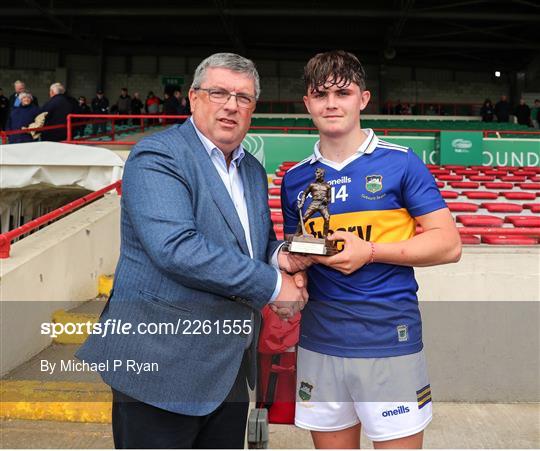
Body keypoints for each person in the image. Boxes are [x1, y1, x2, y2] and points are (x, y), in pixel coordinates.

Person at [76, 52, 310, 449]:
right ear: (193, 97)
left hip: (227, 364)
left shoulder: (251, 168)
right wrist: (274, 285)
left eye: (244, 98)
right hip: (160, 362)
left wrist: (280, 257)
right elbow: (175, 247)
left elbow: (253, 241)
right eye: (219, 92)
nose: (231, 105)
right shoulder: (159, 155)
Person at [281, 50, 462, 449]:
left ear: (362, 99)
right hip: (319, 341)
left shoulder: (401, 163)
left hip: (388, 341)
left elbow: (449, 245)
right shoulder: (295, 179)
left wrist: (371, 252)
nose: (331, 103)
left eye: (342, 93)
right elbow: (299, 251)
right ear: (307, 103)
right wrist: (290, 272)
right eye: (320, 94)